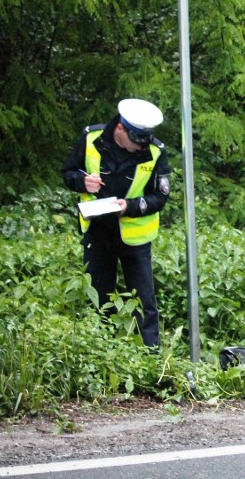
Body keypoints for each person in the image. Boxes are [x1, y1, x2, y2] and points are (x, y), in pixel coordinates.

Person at [62, 98, 172, 349]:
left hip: (135, 236)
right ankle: (100, 352)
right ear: (120, 130)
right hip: (97, 230)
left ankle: (151, 355)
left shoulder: (154, 151)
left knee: (144, 301)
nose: (138, 148)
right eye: (134, 142)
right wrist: (82, 182)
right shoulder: (92, 138)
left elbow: (161, 196)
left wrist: (129, 206)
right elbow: (69, 173)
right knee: (99, 296)